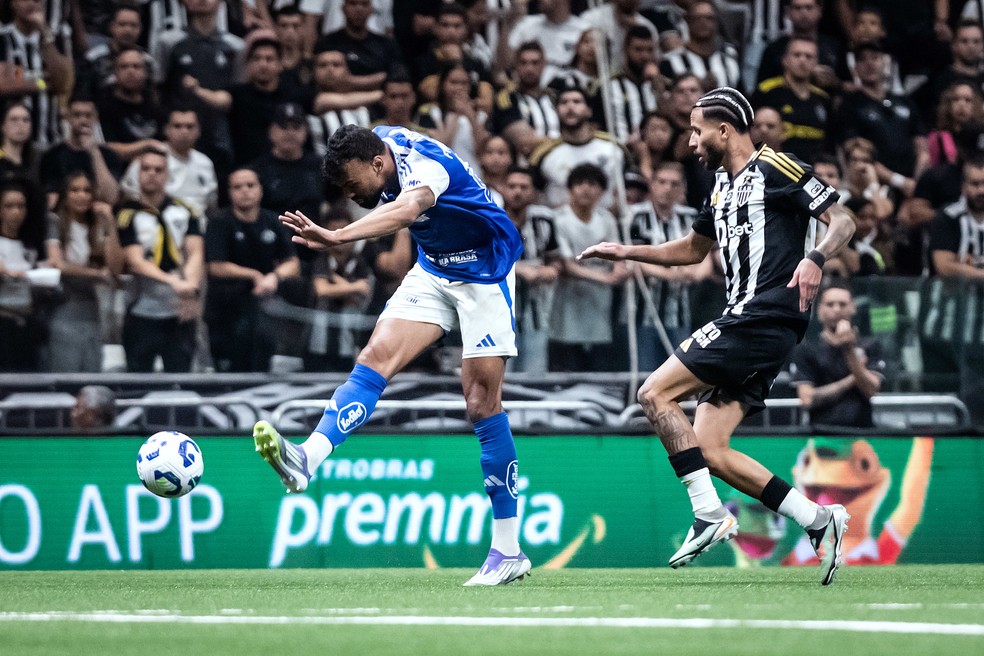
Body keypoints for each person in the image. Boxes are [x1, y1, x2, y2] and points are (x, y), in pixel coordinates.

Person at [578, 87, 856, 585]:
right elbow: (691, 250)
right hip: (757, 323)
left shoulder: (778, 168)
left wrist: (815, 257)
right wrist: (624, 250)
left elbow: (842, 220)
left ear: (724, 129)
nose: (691, 141)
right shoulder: (720, 187)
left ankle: (708, 514)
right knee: (710, 447)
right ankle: (819, 520)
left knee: (653, 392)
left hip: (760, 316)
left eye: (696, 129)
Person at [254, 124, 528, 586]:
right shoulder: (376, 142)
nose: (350, 193)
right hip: (435, 266)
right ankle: (308, 458)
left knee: (481, 403)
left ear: (378, 164)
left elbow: (405, 210)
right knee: (375, 356)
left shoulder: (427, 169)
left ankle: (507, 550)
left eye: (351, 182)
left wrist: (339, 237)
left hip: (485, 267)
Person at [116, 149, 204, 373]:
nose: (152, 174)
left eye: (158, 169)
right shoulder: (127, 214)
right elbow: (135, 261)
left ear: (167, 174)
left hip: (179, 313)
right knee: (138, 379)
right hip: (141, 310)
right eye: (146, 169)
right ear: (137, 174)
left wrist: (191, 287)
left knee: (180, 378)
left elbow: (195, 252)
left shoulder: (185, 211)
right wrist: (174, 282)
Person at [205, 168, 299, 372]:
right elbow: (215, 266)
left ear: (260, 189)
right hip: (226, 310)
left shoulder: (273, 221)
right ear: (229, 192)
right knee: (229, 369)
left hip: (263, 309)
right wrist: (253, 275)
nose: (244, 191)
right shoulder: (219, 222)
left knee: (262, 360)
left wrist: (274, 277)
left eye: (250, 185)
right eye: (237, 187)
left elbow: (292, 262)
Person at [790, 285, 884, 429]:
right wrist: (852, 379)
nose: (836, 309)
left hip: (863, 431)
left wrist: (849, 350)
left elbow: (871, 389)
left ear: (853, 308)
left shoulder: (870, 345)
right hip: (821, 432)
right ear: (820, 310)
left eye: (842, 304)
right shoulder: (807, 349)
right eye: (830, 304)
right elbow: (807, 398)